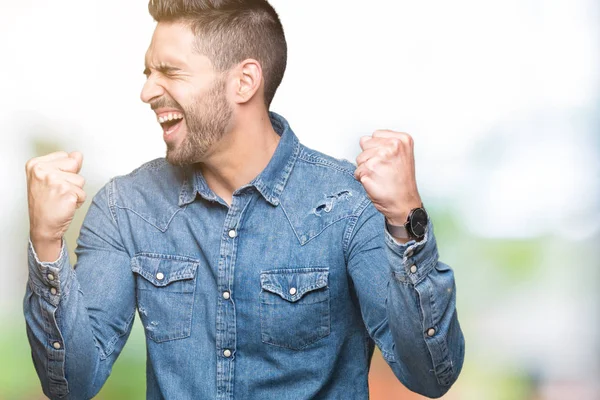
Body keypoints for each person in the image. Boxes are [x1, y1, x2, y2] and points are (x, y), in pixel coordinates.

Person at [23, 1, 465, 399]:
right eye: (148, 74)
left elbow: (430, 376)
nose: (147, 92)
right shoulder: (125, 208)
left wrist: (408, 220)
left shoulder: (347, 205)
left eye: (170, 71)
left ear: (244, 81)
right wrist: (45, 242)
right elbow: (71, 384)